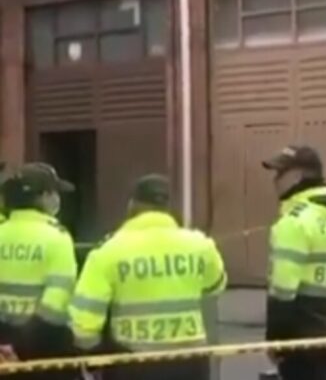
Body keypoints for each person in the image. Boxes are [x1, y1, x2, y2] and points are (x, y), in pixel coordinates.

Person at [68, 174, 227, 380]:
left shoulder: (107, 252)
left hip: (133, 365)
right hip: (190, 363)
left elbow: (83, 322)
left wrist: (95, 357)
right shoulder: (200, 245)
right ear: (168, 207)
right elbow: (216, 285)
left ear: (132, 205)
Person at [261, 145, 326, 380]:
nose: (275, 180)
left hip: (303, 340)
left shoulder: (293, 224)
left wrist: (277, 343)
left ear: (298, 177)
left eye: (280, 173)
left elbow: (282, 294)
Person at [0, 162, 78, 380]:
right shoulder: (57, 238)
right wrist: (20, 347)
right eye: (54, 193)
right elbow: (55, 305)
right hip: (42, 352)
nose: (57, 199)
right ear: (43, 196)